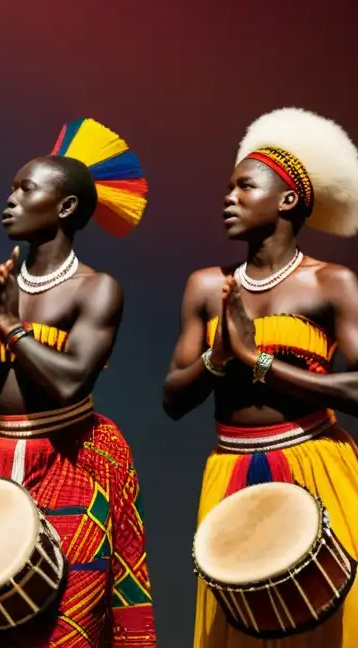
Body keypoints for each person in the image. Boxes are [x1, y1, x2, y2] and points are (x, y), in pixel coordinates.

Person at [0, 118, 156, 647]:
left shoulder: (96, 290)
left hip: (77, 459)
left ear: (65, 208)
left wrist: (9, 325)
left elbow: (71, 384)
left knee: (67, 628)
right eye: (11, 188)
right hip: (4, 462)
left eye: (25, 189)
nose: (9, 199)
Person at [162, 107, 358, 647]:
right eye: (228, 188)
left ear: (288, 199)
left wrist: (259, 362)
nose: (229, 198)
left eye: (245, 187)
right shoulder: (207, 286)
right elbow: (173, 399)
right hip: (230, 473)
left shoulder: (331, 283)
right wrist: (219, 358)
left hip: (315, 463)